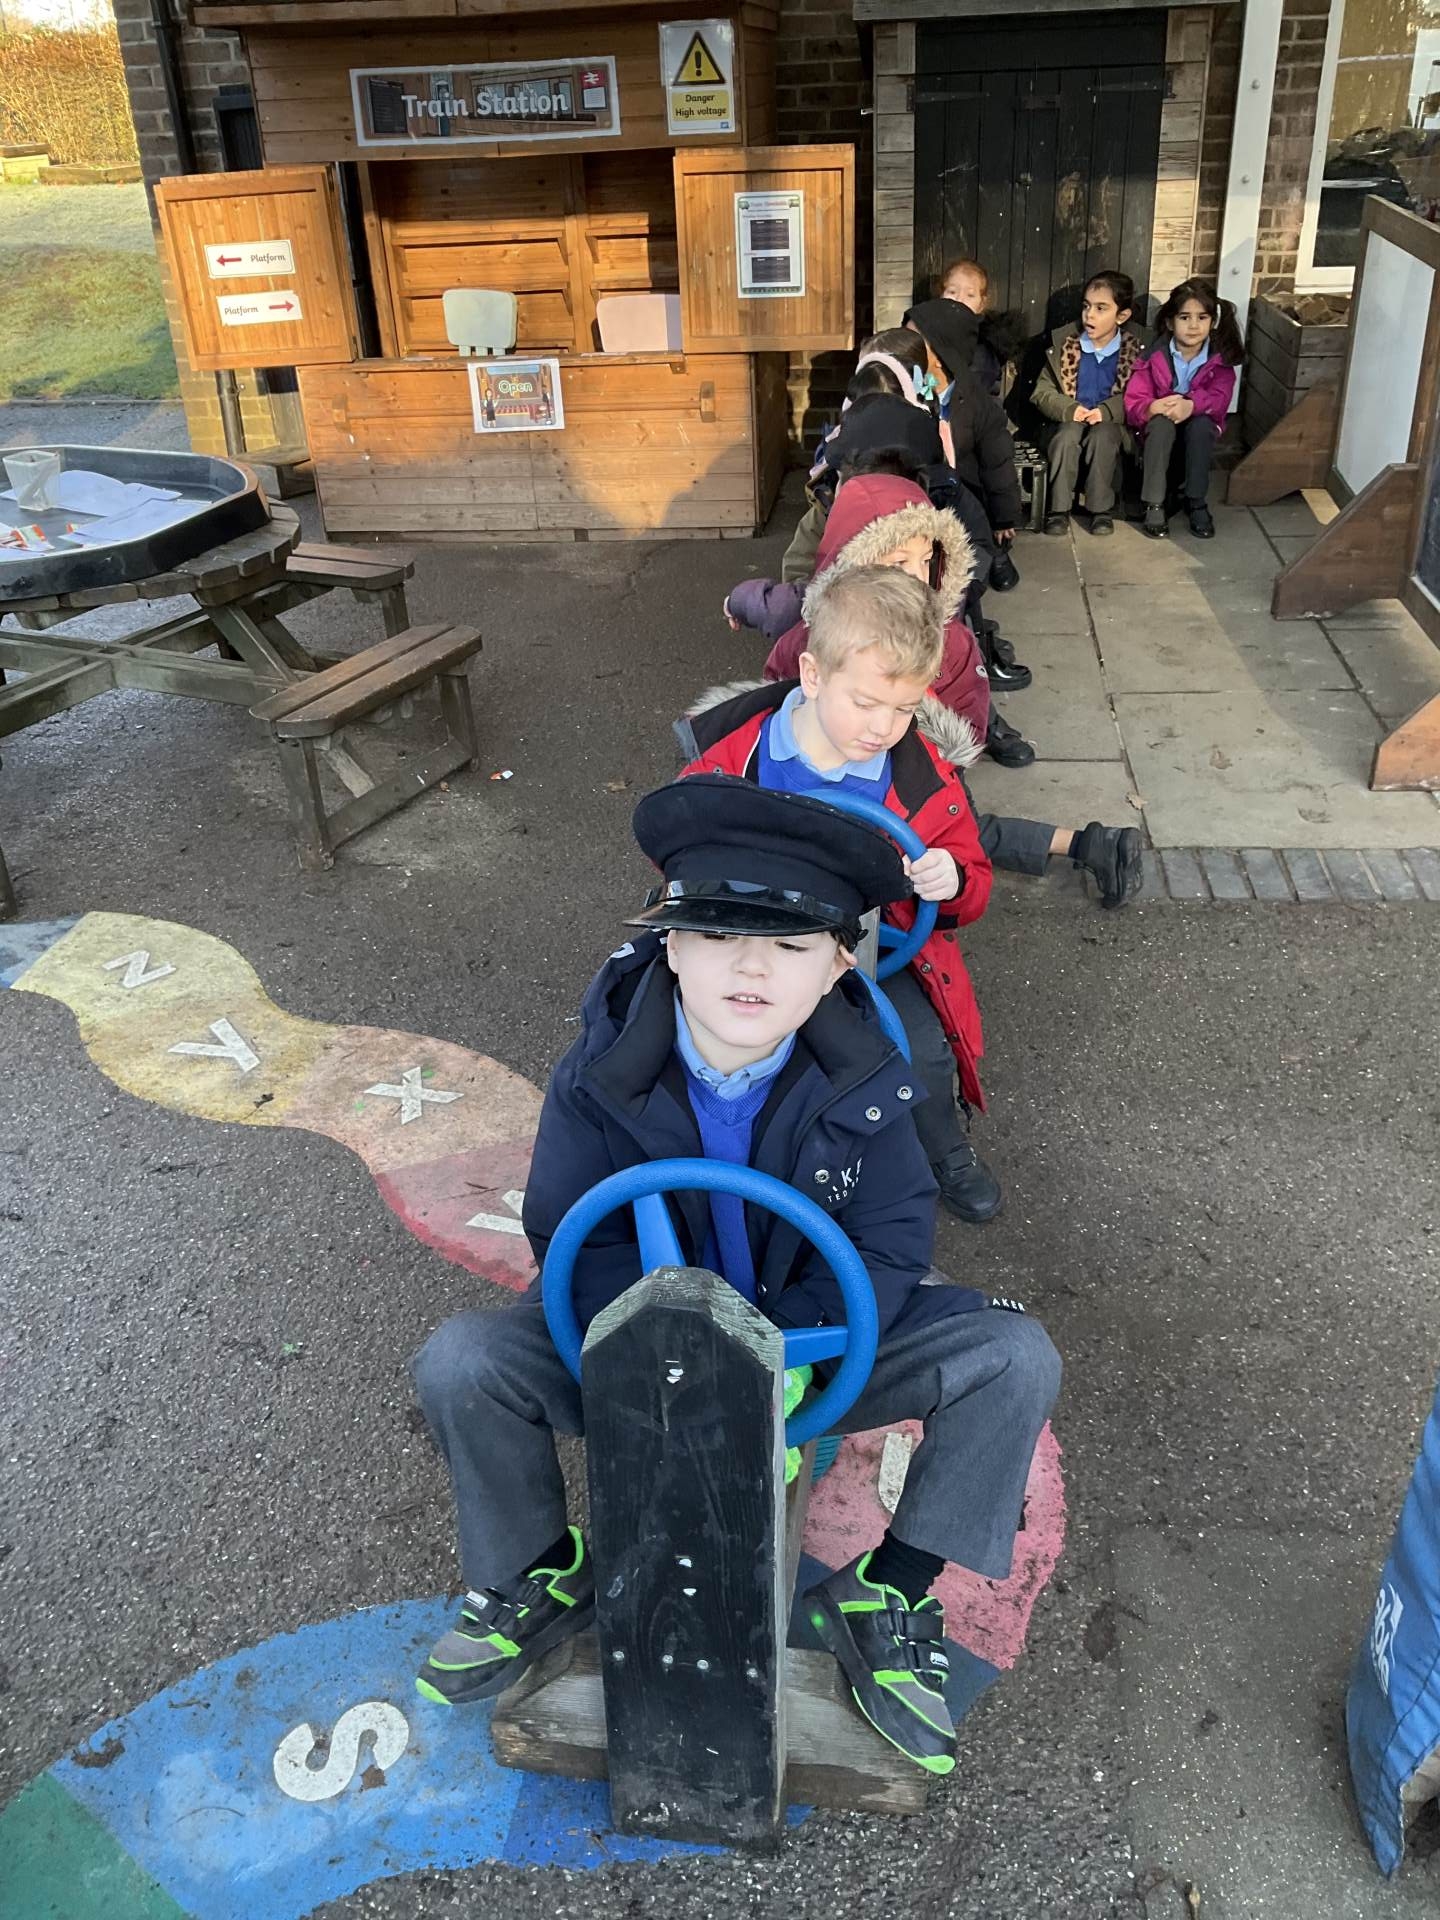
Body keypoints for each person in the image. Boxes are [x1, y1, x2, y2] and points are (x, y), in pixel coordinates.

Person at [412, 773, 1062, 1778]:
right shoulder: (600, 1072)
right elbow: (573, 1235)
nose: (752, 965)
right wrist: (669, 1347)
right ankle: (540, 1568)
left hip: (812, 1344)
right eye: (717, 934)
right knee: (464, 1362)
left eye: (793, 945)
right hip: (640, 1337)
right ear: (670, 944)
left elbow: (891, 1244)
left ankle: (889, 1587)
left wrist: (783, 1352)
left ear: (838, 965)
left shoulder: (866, 1080)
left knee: (1012, 1356)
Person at [723, 455, 1144, 916]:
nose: (918, 576)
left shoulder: (950, 641)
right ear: (853, 562)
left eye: (927, 560)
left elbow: (970, 722)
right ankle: (1090, 844)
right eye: (898, 561)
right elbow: (772, 696)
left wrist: (923, 727)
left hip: (919, 779)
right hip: (828, 784)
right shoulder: (813, 633)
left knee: (955, 842)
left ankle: (1090, 844)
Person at [1124, 278, 1243, 540]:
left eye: (1202, 317)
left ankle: (1196, 500)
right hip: (1159, 429)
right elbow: (1135, 398)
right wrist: (1151, 407)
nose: (1193, 325)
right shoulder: (1152, 356)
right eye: (1185, 317)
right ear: (1170, 322)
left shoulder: (1219, 360)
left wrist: (1192, 404)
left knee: (1201, 426)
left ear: (1212, 322)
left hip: (1197, 425)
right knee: (1160, 424)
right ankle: (1154, 503)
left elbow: (1220, 399)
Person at [1032, 270, 1147, 536]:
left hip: (1112, 423)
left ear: (1122, 316)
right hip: (1073, 417)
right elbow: (1042, 391)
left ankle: (1101, 509)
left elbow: (1141, 393)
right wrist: (1069, 409)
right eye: (1086, 306)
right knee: (1065, 439)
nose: (1089, 315)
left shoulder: (1135, 350)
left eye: (1101, 308)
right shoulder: (1066, 345)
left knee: (1102, 438)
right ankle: (1058, 509)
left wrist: (1107, 411)